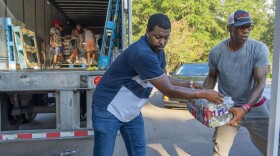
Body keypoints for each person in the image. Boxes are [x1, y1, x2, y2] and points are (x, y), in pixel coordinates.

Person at [92, 13, 223, 156]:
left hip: (131, 112)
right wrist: (204, 93)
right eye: (158, 37)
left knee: (139, 152)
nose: (162, 42)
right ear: (147, 32)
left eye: (166, 37)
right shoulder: (142, 53)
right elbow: (168, 89)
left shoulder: (158, 51)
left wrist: (190, 84)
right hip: (108, 109)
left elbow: (163, 79)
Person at [203, 10, 276, 155]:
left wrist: (245, 108)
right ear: (229, 28)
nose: (246, 30)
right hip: (229, 108)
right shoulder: (216, 52)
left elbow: (260, 82)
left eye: (248, 26)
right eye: (241, 27)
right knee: (219, 151)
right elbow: (211, 77)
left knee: (272, 148)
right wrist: (202, 99)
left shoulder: (259, 48)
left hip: (254, 106)